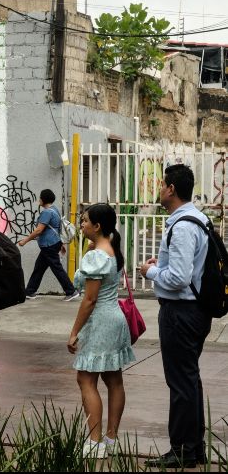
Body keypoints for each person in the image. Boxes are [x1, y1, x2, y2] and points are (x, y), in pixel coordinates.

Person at [141, 164, 211, 468]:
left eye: (162, 184)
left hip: (181, 313)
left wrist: (151, 271)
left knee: (181, 383)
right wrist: (165, 264)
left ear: (171, 189)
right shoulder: (198, 218)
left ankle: (182, 449)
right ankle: (193, 448)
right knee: (189, 380)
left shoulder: (182, 225)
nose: (159, 189)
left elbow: (180, 278)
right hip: (193, 310)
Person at [68, 204, 135, 459]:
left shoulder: (95, 256)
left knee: (86, 379)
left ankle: (94, 442)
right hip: (115, 318)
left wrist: (74, 331)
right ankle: (111, 438)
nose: (81, 225)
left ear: (97, 226)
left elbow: (89, 300)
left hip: (100, 321)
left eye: (84, 221)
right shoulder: (111, 250)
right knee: (113, 380)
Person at [18, 189, 79, 301]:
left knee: (56, 268)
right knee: (39, 267)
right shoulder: (54, 210)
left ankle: (71, 291)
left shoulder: (47, 212)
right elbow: (57, 228)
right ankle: (30, 291)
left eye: (40, 198)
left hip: (49, 245)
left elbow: (38, 230)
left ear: (43, 199)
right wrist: (60, 244)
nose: (39, 200)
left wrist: (25, 241)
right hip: (52, 244)